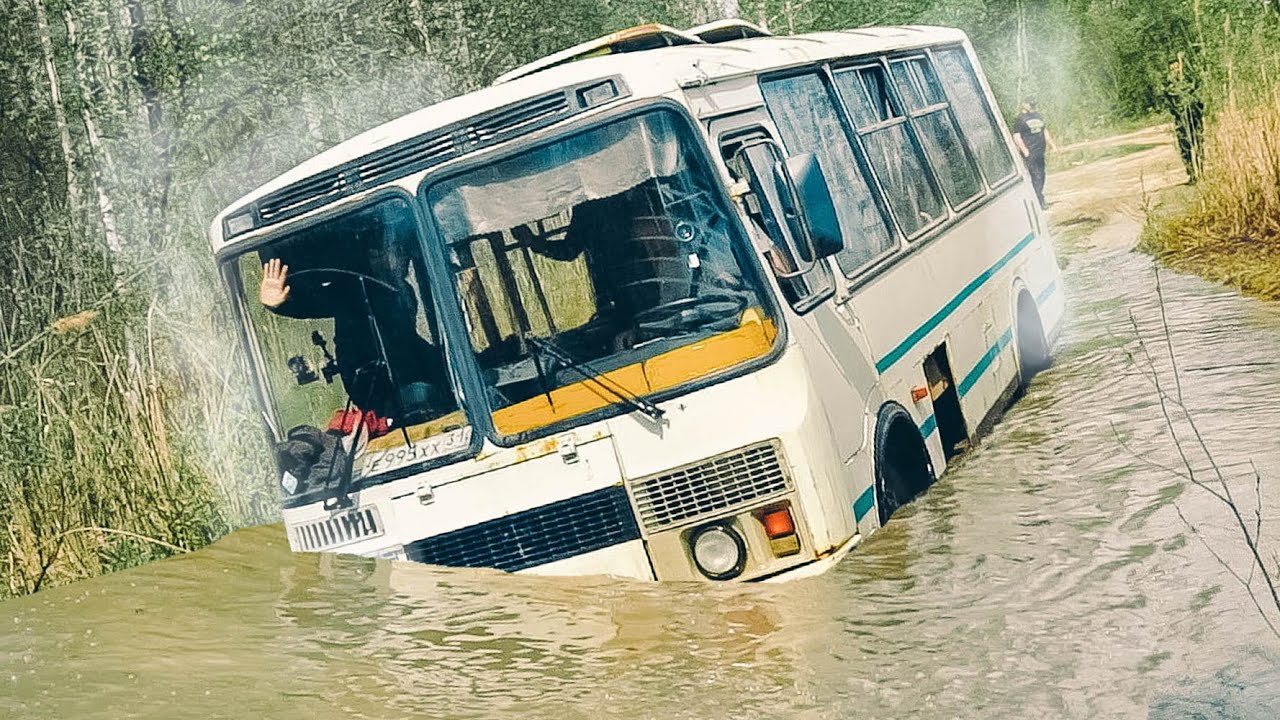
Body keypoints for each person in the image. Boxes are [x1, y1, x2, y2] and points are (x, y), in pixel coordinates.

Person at [1164, 52, 1205, 184]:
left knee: (1198, 144)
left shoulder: (1190, 81)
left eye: (1177, 68)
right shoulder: (1169, 87)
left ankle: (1201, 171)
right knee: (1185, 149)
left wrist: (1184, 64)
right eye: (1172, 69)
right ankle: (1192, 174)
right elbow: (1171, 101)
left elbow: (1196, 92)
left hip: (1194, 118)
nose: (1175, 71)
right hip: (1181, 121)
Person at [1012, 99, 1059, 209]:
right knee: (1035, 177)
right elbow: (1017, 137)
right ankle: (1038, 202)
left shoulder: (1038, 116)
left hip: (1040, 152)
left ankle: (1039, 198)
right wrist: (1025, 151)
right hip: (1030, 153)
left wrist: (1053, 146)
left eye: (1033, 103)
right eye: (1030, 103)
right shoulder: (1020, 119)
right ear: (1024, 105)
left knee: (1041, 176)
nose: (1032, 105)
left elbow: (1045, 131)